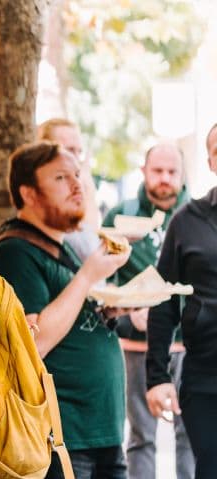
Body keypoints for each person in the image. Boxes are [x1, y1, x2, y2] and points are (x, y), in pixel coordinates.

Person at [0, 141, 130, 479]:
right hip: (64, 439)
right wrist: (88, 275)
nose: (77, 185)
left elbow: (68, 314)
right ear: (30, 193)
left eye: (77, 175)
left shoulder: (56, 247)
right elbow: (33, 342)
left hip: (101, 433)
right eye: (61, 178)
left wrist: (107, 310)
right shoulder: (14, 252)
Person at [103, 143, 193, 479]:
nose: (165, 179)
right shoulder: (120, 215)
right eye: (158, 171)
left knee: (192, 436)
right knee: (141, 439)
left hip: (188, 345)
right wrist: (128, 311)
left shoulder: (196, 216)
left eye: (172, 172)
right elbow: (101, 280)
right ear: (143, 171)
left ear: (183, 175)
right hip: (135, 347)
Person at [146, 123, 217, 479]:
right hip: (205, 379)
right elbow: (163, 302)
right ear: (210, 160)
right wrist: (157, 376)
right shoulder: (186, 221)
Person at [37, 118, 102, 260]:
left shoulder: (77, 192)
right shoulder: (47, 206)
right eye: (70, 150)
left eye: (79, 152)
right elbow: (91, 255)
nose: (77, 160)